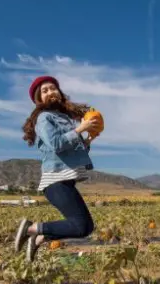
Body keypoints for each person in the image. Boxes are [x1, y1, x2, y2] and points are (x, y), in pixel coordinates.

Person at [13, 76, 100, 262]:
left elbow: (72, 149)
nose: (51, 92)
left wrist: (89, 138)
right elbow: (56, 144)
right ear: (39, 99)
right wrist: (79, 129)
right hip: (55, 181)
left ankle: (39, 238)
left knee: (84, 226)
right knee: (81, 226)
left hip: (64, 180)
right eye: (45, 91)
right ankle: (31, 228)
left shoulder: (64, 118)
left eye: (53, 88)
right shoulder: (44, 118)